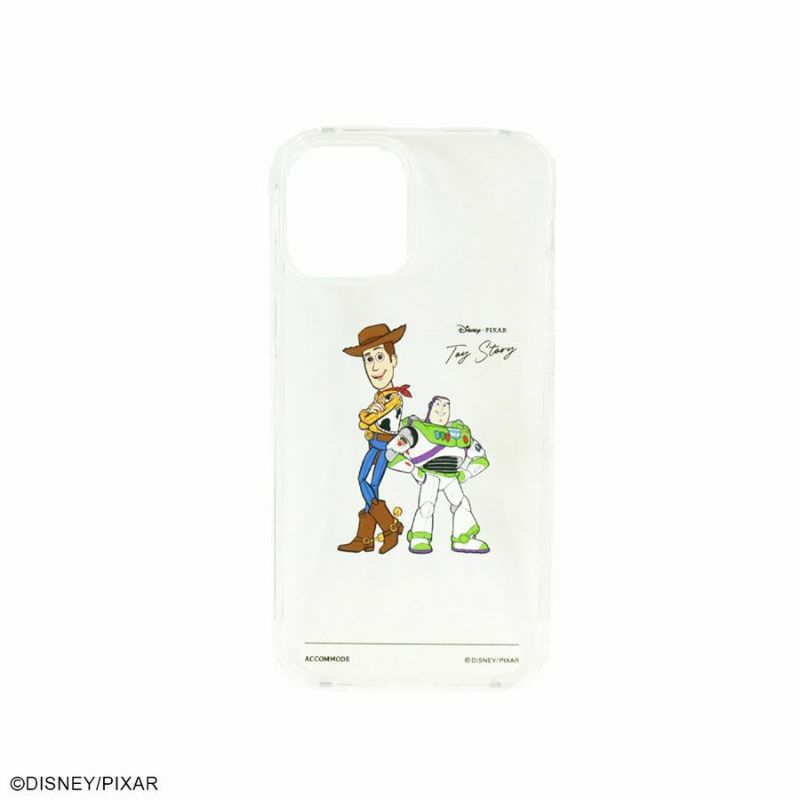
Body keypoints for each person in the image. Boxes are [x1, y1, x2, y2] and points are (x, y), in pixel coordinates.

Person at [337, 323, 410, 554]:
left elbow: (368, 418)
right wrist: (366, 415)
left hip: (385, 446)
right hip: (374, 444)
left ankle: (387, 528)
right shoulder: (380, 396)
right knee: (367, 482)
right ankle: (372, 536)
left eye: (380, 357)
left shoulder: (394, 397)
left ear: (393, 360)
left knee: (367, 482)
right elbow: (363, 421)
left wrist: (367, 415)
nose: (375, 366)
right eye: (368, 359)